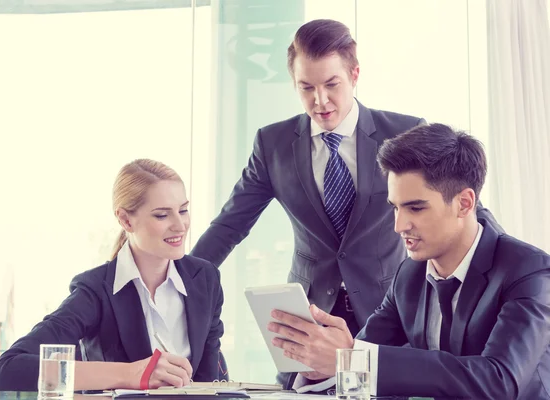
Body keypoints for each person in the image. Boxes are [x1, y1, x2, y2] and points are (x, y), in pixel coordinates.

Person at [190, 18, 499, 386]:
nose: (319, 100)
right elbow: (231, 224)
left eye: (331, 84)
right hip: (313, 313)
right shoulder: (272, 144)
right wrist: (182, 280)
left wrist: (503, 266)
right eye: (306, 87)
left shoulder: (403, 131)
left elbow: (466, 204)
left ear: (354, 74)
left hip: (389, 310)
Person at [267, 123, 550, 399]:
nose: (399, 225)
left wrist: (354, 359)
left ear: (464, 203)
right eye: (395, 208)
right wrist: (322, 362)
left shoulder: (528, 271)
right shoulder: (409, 274)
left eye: (416, 208)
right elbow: (360, 357)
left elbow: (498, 381)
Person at [0, 159, 227, 391]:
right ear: (125, 219)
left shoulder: (205, 279)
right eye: (162, 215)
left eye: (183, 210)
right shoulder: (96, 290)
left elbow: (208, 384)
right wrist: (133, 373)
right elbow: (9, 369)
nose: (180, 225)